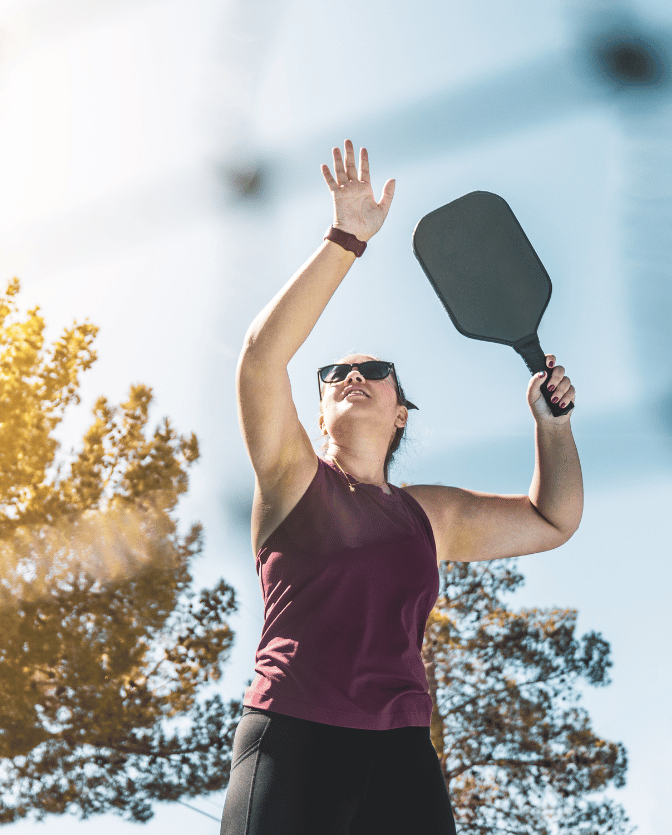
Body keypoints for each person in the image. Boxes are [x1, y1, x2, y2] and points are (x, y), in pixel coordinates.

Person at [219, 139, 583, 834]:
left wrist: (553, 427)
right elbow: (262, 358)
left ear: (401, 410)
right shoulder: (293, 480)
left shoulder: (430, 516)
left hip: (402, 756)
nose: (351, 377)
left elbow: (552, 520)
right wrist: (346, 237)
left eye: (373, 369)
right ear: (319, 411)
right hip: (294, 735)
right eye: (333, 375)